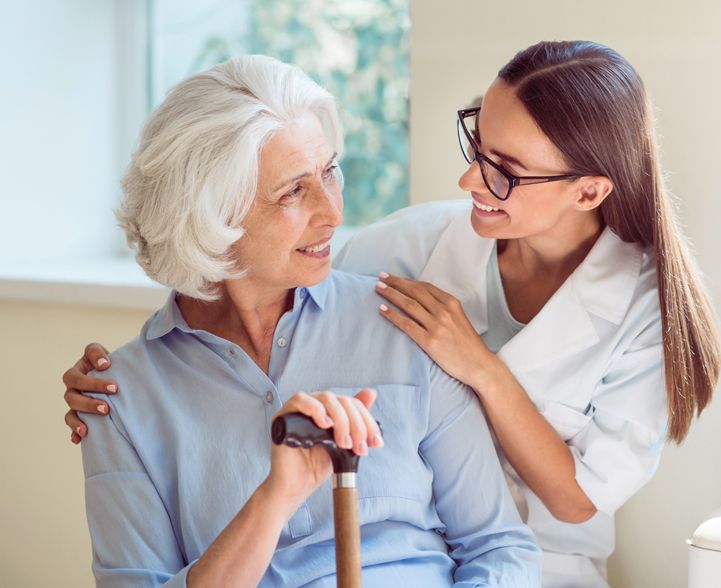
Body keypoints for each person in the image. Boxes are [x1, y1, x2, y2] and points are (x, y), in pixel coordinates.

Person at [64, 41, 721, 588]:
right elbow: (239, 279)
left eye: (505, 170)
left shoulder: (633, 309)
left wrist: (482, 368)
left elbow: (549, 517)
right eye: (478, 146)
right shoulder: (401, 258)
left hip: (547, 558)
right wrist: (136, 378)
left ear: (588, 191)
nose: (332, 213)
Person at [74, 55, 541, 588]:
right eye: (293, 190)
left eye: (329, 172)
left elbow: (500, 547)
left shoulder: (407, 324)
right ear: (210, 217)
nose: (333, 211)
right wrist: (277, 497)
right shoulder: (120, 398)